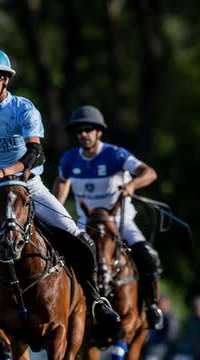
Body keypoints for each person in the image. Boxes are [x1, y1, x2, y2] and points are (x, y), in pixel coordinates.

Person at [0, 49, 120, 340]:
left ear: (6, 79)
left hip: (29, 186)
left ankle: (96, 299)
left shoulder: (24, 108)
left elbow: (35, 152)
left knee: (79, 237)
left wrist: (6, 173)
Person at [52, 105, 164, 329]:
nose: (83, 134)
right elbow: (61, 186)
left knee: (148, 256)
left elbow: (149, 173)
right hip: (86, 225)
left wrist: (132, 184)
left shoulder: (115, 155)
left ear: (98, 132)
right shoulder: (70, 159)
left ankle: (152, 306)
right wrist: (55, 211)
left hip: (121, 222)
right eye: (79, 130)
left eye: (88, 129)